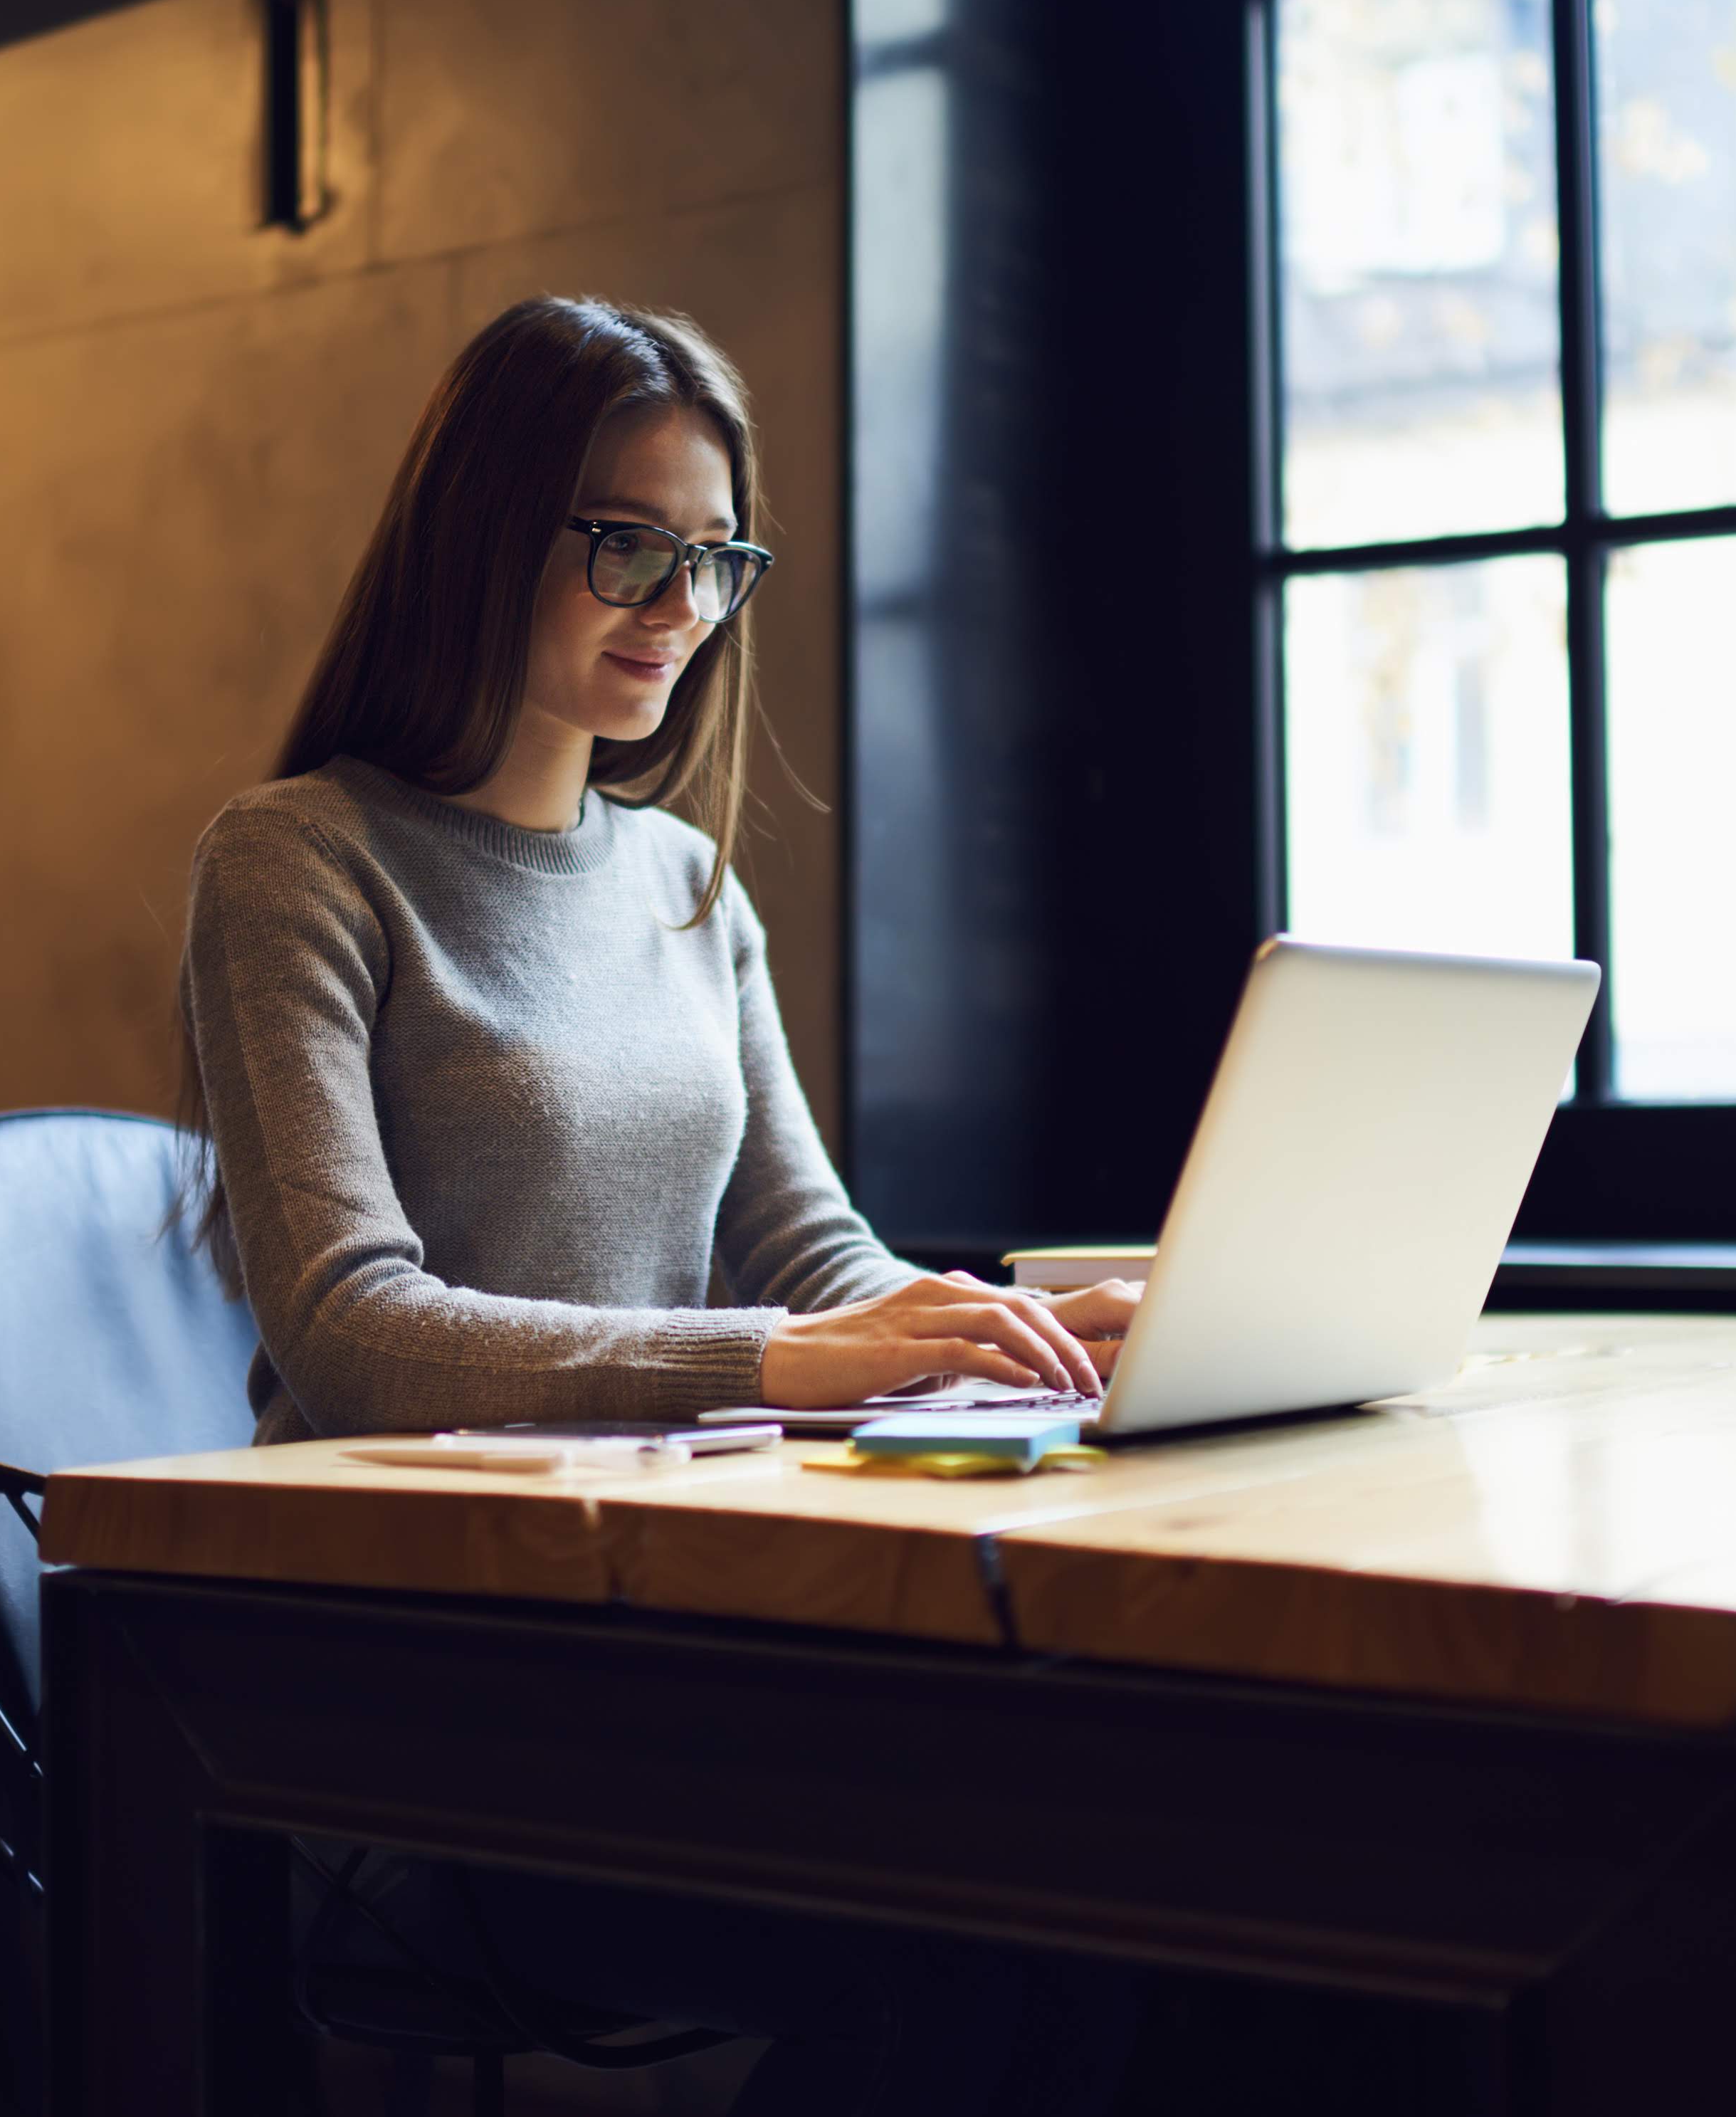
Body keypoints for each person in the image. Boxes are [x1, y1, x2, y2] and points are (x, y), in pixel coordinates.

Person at [178, 295, 1137, 2114]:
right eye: (628, 542)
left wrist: (996, 1331)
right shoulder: (299, 856)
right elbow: (354, 1326)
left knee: (1123, 1873)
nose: (679, 605)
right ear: (484, 530)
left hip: (669, 1627)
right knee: (989, 1921)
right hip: (424, 1679)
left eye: (715, 557)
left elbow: (813, 1250)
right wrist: (792, 1353)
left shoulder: (692, 884)